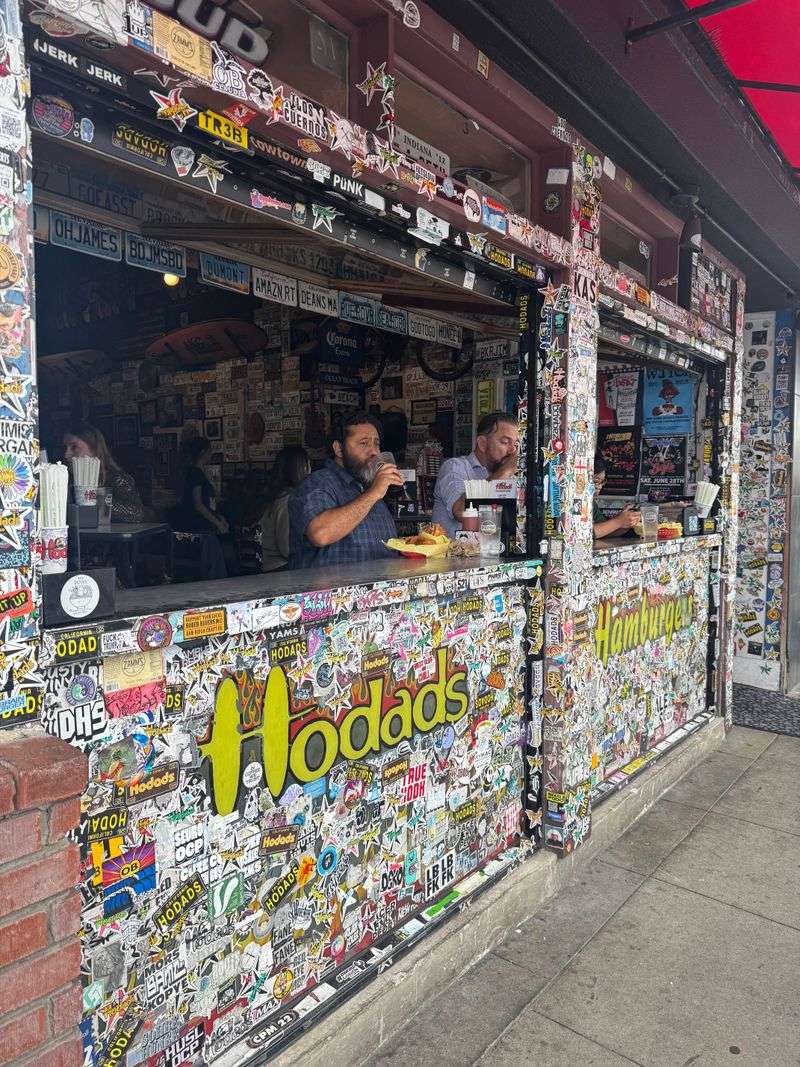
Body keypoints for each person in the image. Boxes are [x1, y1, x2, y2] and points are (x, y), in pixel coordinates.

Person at [288, 411, 400, 568]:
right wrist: (374, 493)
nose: (374, 452)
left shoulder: (368, 486)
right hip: (330, 584)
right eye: (364, 443)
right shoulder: (317, 483)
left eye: (376, 444)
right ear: (339, 449)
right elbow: (320, 534)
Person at [431, 411, 519, 537]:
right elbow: (461, 511)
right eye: (505, 442)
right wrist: (505, 472)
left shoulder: (509, 476)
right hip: (455, 549)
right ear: (482, 443)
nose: (513, 450)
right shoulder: (455, 467)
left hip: (493, 547)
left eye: (516, 444)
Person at [63, 423, 144, 523]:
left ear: (94, 449)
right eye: (65, 448)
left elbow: (136, 513)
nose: (66, 454)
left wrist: (96, 497)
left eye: (74, 447)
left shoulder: (116, 478)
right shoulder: (67, 479)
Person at [176, 437, 227, 578]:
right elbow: (198, 504)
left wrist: (218, 518)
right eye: (210, 451)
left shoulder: (196, 472)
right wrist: (218, 523)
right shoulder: (196, 473)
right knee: (214, 564)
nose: (211, 454)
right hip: (200, 528)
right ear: (203, 452)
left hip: (202, 525)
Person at [260, 445, 310, 572]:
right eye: (307, 464)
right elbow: (287, 548)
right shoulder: (287, 501)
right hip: (281, 570)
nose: (310, 470)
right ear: (299, 469)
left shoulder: (280, 496)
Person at [592, 455, 641, 539]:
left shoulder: (591, 504)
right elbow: (582, 534)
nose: (600, 486)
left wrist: (627, 522)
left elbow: (604, 531)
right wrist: (618, 522)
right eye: (596, 481)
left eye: (602, 482)